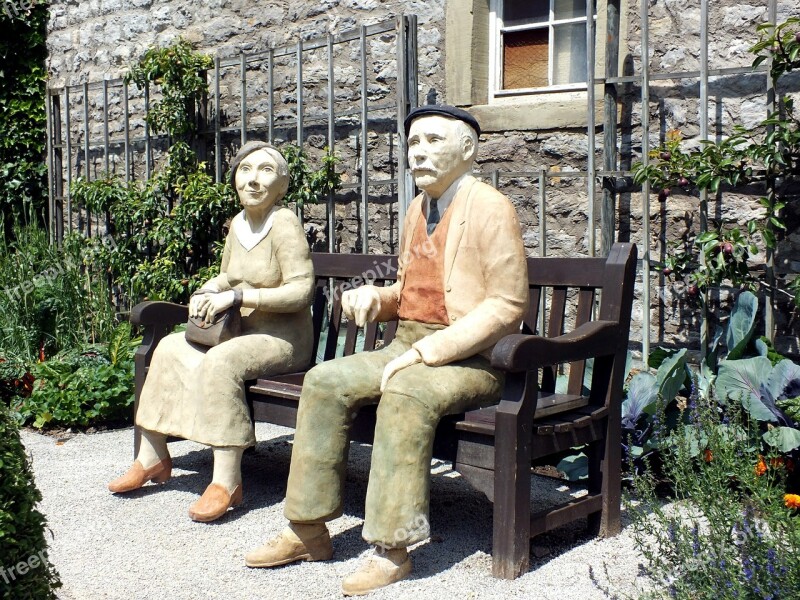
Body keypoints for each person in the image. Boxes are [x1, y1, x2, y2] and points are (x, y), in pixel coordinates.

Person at [244, 105, 529, 595]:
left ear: (468, 148)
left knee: (406, 391)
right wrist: (376, 297)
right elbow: (408, 287)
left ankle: (391, 549)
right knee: (324, 380)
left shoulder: (491, 208)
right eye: (413, 142)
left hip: (473, 359)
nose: (418, 151)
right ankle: (307, 529)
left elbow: (507, 305)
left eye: (433, 141)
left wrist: (429, 352)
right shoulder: (418, 208)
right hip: (406, 343)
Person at [108, 141, 315, 523]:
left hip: (283, 340)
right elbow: (228, 274)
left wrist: (237, 296)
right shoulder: (238, 223)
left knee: (221, 362)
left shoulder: (284, 223)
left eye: (266, 171)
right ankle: (152, 457)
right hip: (241, 332)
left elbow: (301, 290)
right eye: (245, 170)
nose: (253, 180)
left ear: (282, 184)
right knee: (170, 348)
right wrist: (212, 289)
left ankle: (226, 481)